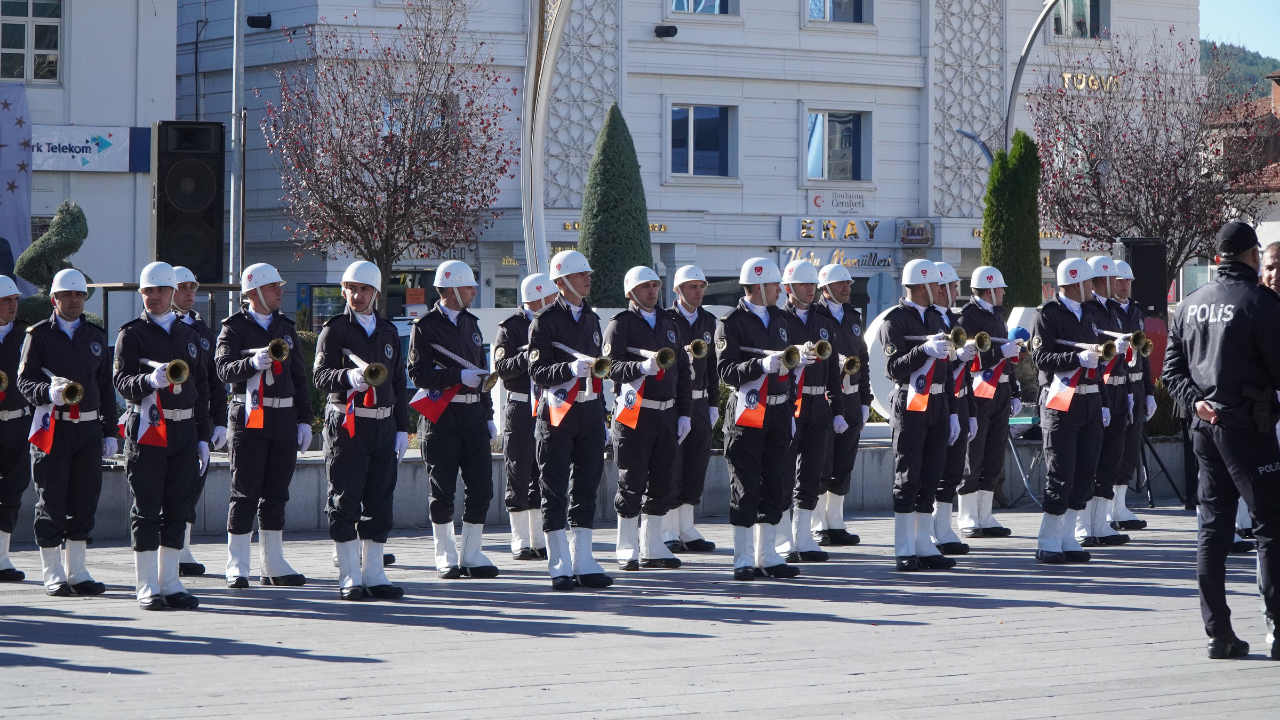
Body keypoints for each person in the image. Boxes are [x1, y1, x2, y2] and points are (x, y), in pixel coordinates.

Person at [1163, 221, 1280, 660]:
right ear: (1253, 256)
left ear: (1217, 259)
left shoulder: (1190, 304)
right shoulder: (1260, 303)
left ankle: (1218, 633)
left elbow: (1170, 372)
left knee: (1212, 531)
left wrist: (1196, 403)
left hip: (1204, 429)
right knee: (1270, 526)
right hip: (1249, 428)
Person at [114, 262, 211, 610]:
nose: (154, 296)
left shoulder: (189, 335)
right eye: (148, 291)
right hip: (147, 428)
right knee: (147, 508)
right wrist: (148, 382)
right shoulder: (131, 334)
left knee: (178, 507)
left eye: (160, 290)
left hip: (183, 429)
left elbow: (201, 388)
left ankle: (170, 582)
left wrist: (203, 435)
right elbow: (121, 381)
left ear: (172, 293)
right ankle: (146, 584)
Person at [18, 268, 118, 597]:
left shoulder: (95, 335)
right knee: (51, 499)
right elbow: (24, 381)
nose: (73, 300)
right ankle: (53, 573)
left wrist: (110, 430)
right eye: (66, 295)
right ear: (54, 300)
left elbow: (105, 386)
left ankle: (77, 571)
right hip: (53, 426)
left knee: (85, 499)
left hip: (88, 428)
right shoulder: (38, 335)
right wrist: (47, 392)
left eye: (78, 295)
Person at [314, 260, 409, 601]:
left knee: (380, 499)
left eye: (364, 289)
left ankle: (374, 574)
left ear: (376, 293)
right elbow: (320, 376)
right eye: (351, 289)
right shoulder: (335, 330)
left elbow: (398, 383)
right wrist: (347, 377)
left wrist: (402, 429)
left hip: (383, 423)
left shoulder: (388, 332)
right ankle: (349, 575)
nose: (357, 295)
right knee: (345, 498)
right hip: (348, 423)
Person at [215, 263, 312, 588]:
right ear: (254, 292)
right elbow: (223, 369)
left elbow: (299, 377)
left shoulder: (285, 327)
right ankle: (237, 565)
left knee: (276, 494)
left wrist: (304, 420)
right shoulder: (234, 328)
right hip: (248, 417)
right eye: (273, 287)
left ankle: (273, 563)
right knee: (244, 492)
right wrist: (251, 363)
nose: (279, 292)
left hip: (283, 418)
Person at [408, 260, 499, 580]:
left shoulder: (471, 324)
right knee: (442, 488)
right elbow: (418, 374)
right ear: (451, 289)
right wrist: (456, 376)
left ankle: (471, 554)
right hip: (442, 416)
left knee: (482, 487)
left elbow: (482, 374)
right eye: (468, 286)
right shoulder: (425, 326)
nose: (474, 290)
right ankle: (445, 556)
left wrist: (488, 414)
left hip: (473, 414)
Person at [528, 250, 613, 590]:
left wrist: (603, 417)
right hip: (557, 412)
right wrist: (567, 369)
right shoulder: (544, 320)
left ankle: (583, 559)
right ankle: (559, 563)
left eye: (587, 274)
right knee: (554, 487)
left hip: (589, 410)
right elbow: (537, 371)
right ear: (562, 281)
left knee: (587, 486)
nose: (587, 278)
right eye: (580, 275)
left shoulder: (592, 319)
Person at [716, 257, 801, 581]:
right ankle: (743, 558)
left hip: (778, 410)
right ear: (758, 286)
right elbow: (726, 371)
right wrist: (759, 367)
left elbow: (789, 372)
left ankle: (768, 555)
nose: (780, 290)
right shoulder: (731, 322)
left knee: (776, 483)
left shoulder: (781, 318)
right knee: (745, 484)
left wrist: (790, 407)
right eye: (775, 284)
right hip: (748, 410)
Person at [604, 266, 690, 571]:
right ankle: (626, 546)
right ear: (631, 292)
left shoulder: (669, 323)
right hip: (634, 413)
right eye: (645, 286)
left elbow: (683, 372)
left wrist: (685, 413)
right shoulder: (620, 324)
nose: (652, 290)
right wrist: (640, 368)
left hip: (666, 413)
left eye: (655, 285)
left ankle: (652, 546)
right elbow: (610, 367)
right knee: (632, 479)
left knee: (663, 482)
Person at [877, 260, 958, 571]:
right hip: (910, 401)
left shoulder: (937, 318)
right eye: (936, 284)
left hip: (937, 402)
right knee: (908, 475)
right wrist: (922, 351)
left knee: (931, 474)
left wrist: (952, 411)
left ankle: (924, 543)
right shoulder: (894, 321)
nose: (940, 289)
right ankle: (904, 547)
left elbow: (947, 371)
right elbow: (893, 369)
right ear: (922, 285)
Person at [1029, 258, 1108, 565]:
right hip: (1061, 401)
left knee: (1085, 472)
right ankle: (1048, 538)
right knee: (1060, 472)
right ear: (1076, 283)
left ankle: (1068, 536)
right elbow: (1041, 358)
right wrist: (1077, 359)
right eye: (1089, 282)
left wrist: (1103, 400)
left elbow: (1095, 361)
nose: (1093, 287)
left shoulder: (1089, 313)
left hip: (1089, 400)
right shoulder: (1047, 315)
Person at [776, 259, 839, 563]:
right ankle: (782, 538)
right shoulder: (778, 320)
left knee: (813, 472)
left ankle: (803, 536)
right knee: (784, 471)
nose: (810, 289)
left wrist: (837, 408)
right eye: (803, 284)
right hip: (788, 403)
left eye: (812, 284)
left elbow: (834, 370)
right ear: (789, 288)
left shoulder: (824, 319)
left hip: (817, 403)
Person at [170, 266, 228, 577]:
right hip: (165, 419)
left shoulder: (203, 332)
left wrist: (220, 421)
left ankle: (183, 548)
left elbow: (214, 383)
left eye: (193, 287)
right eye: (183, 287)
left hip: (197, 419)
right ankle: (168, 549)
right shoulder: (157, 327)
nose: (190, 293)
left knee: (193, 484)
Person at [955, 266, 1020, 539]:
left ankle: (985, 514)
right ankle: (968, 516)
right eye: (1000, 288)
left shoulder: (997, 316)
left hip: (1001, 392)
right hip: (978, 393)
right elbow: (967, 359)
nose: (1003, 292)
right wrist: (999, 352)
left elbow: (1007, 357)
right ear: (990, 289)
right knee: (973, 456)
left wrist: (1014, 391)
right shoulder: (966, 318)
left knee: (994, 457)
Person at [495, 273, 556, 561]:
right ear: (539, 296)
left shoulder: (553, 322)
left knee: (542, 471)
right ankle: (519, 538)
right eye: (552, 295)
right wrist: (527, 357)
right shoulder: (511, 327)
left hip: (547, 404)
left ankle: (538, 538)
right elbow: (502, 368)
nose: (556, 299)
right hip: (520, 406)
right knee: (518, 470)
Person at [811, 263, 870, 547]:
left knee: (844, 462)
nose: (847, 288)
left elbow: (863, 360)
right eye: (840, 284)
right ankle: (817, 523)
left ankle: (835, 521)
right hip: (824, 397)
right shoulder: (814, 317)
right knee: (822, 461)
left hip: (851, 396)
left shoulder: (853, 316)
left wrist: (866, 400)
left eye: (848, 284)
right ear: (825, 289)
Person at [1075, 256, 1132, 548]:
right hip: (1098, 389)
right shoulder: (1088, 312)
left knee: (1111, 460)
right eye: (1111, 279)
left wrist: (1132, 391)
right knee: (1091, 460)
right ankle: (1083, 524)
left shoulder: (1113, 310)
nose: (1116, 283)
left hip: (1118, 390)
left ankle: (1100, 523)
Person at [663, 264, 719, 553]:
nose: (698, 292)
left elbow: (713, 367)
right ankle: (668, 528)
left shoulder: (708, 321)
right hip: (674, 401)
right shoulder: (666, 320)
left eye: (701, 286)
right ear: (678, 290)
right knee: (672, 464)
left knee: (696, 464)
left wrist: (714, 403)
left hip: (700, 401)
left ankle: (687, 527)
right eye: (692, 287)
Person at [929, 262, 975, 556]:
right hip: (936, 401)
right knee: (935, 467)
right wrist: (956, 356)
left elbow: (965, 375)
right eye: (953, 287)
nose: (956, 292)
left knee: (954, 468)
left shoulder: (957, 320)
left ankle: (944, 526)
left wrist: (971, 412)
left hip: (959, 399)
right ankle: (930, 528)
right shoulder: (930, 321)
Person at [1109, 260, 1156, 532]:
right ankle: (1107, 507)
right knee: (1113, 445)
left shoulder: (1136, 312)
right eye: (1119, 281)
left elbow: (1144, 355)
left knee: (1131, 445)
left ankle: (1120, 505)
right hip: (1116, 385)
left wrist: (1149, 392)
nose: (1124, 285)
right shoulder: (1106, 311)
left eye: (1127, 281)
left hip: (1136, 384)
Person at [0, 277, 31, 583]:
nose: (13, 306)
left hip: (19, 422)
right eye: (6, 300)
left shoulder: (27, 335)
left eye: (15, 300)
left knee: (12, 490)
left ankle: (1, 557)